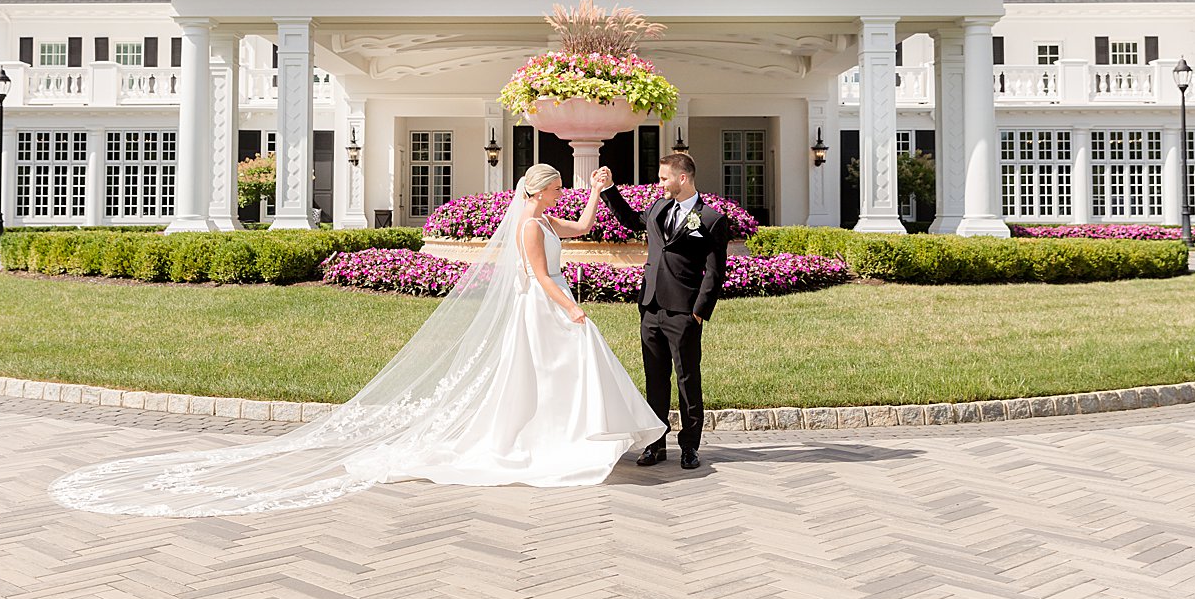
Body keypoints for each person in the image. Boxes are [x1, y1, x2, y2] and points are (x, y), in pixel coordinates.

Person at [49, 164, 666, 517]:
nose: (561, 200)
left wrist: (593, 187)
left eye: (562, 192)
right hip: (545, 309)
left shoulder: (548, 216)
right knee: (541, 375)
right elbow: (538, 275)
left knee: (555, 378)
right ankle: (535, 440)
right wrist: (574, 309)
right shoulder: (530, 228)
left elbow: (587, 227)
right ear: (537, 193)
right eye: (557, 191)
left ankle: (560, 437)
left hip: (552, 308)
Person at [597, 154, 728, 470]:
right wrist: (609, 189)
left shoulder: (711, 219)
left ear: (682, 178)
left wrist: (697, 313)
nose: (660, 183)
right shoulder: (658, 208)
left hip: (684, 312)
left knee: (687, 380)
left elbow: (714, 273)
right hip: (651, 307)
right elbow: (630, 221)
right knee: (655, 381)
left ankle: (690, 447)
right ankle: (655, 446)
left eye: (663, 177)